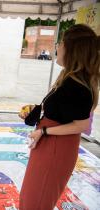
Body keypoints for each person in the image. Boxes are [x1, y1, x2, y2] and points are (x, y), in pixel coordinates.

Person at [18, 24, 100, 210]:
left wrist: (44, 130)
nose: (57, 46)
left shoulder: (78, 85)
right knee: (32, 197)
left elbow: (80, 125)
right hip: (50, 143)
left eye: (61, 42)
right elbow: (63, 111)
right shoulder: (69, 78)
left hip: (55, 147)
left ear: (72, 49)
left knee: (36, 201)